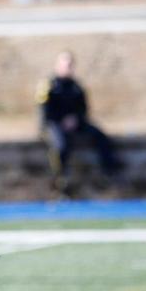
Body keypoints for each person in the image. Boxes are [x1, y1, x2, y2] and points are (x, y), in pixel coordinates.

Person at [36, 50, 123, 196]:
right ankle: (60, 180)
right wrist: (60, 121)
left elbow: (83, 109)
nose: (67, 68)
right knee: (61, 145)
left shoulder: (76, 86)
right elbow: (45, 112)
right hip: (53, 124)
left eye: (70, 65)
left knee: (100, 136)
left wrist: (75, 119)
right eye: (64, 64)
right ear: (57, 65)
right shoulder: (48, 85)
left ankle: (109, 173)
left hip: (74, 124)